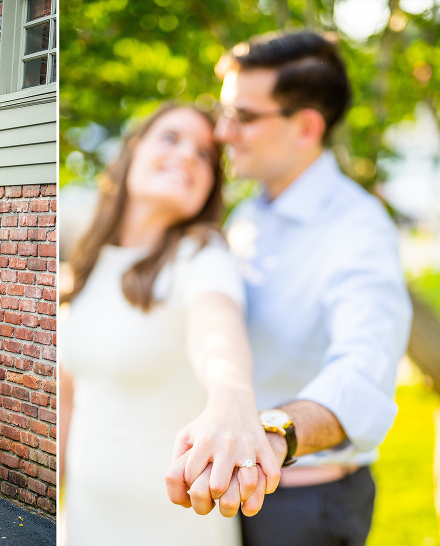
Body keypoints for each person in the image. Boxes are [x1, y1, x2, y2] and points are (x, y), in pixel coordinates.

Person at [166, 31, 412, 546]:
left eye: (245, 116)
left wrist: (274, 435)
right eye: (224, 111)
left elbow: (363, 374)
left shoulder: (357, 228)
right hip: (223, 491)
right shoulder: (247, 212)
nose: (222, 131)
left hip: (305, 505)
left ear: (305, 127)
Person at [59, 103, 281, 545]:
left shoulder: (202, 256)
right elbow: (70, 396)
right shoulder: (90, 258)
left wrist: (232, 397)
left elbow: (217, 331)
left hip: (176, 529)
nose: (187, 157)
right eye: (171, 138)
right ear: (133, 150)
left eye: (204, 155)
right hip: (84, 523)